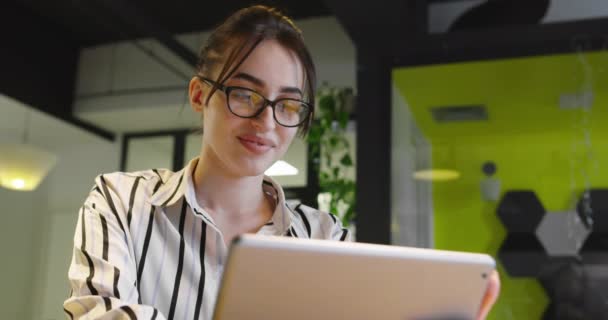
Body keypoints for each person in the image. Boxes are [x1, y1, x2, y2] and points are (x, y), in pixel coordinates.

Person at [63, 5, 499, 320]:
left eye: (288, 105)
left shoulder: (327, 240)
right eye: (246, 94)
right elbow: (98, 314)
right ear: (200, 95)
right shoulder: (121, 200)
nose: (266, 121)